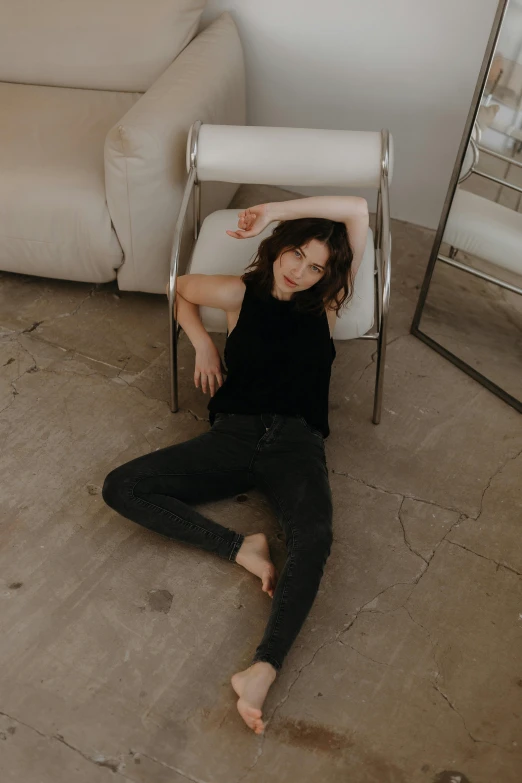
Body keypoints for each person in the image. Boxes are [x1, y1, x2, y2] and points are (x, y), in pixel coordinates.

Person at [102, 196, 369, 734]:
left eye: (315, 266)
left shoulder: (327, 304)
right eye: (295, 254)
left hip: (297, 443)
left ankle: (263, 669)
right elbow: (179, 290)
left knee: (314, 537)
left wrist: (272, 209)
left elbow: (358, 210)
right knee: (121, 486)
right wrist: (202, 343)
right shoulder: (238, 293)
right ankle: (239, 547)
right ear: (276, 249)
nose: (300, 271)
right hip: (233, 434)